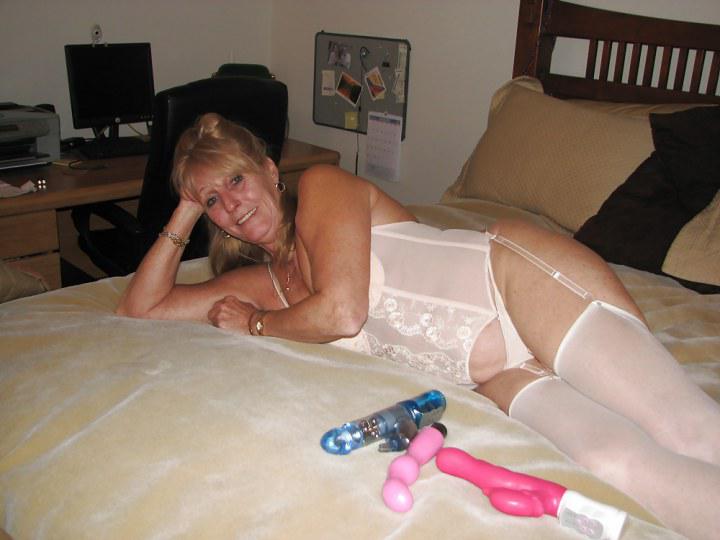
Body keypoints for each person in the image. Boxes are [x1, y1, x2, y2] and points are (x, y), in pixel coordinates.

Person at [117, 113, 720, 540]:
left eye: (236, 180)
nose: (231, 203)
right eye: (214, 201)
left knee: (685, 429)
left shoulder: (323, 188)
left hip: (516, 284)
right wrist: (187, 203)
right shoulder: (265, 283)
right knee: (618, 466)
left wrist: (256, 325)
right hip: (495, 374)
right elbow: (140, 309)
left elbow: (343, 312)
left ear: (271, 170)